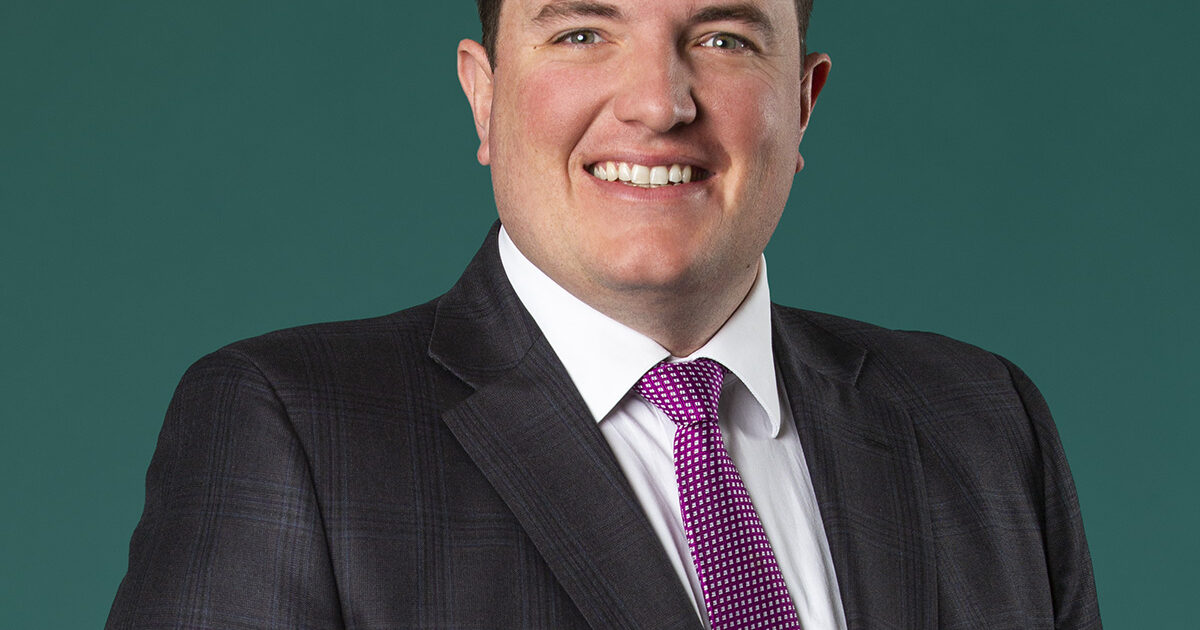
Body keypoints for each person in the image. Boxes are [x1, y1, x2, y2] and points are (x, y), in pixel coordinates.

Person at [107, 1, 1102, 628]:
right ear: (484, 96)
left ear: (804, 101)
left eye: (722, 37)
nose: (658, 103)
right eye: (582, 32)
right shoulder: (296, 432)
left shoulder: (981, 423)